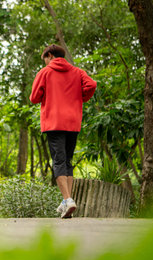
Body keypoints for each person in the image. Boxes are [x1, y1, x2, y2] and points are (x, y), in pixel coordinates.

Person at [30, 44, 96, 219]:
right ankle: (66, 201)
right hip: (73, 122)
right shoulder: (77, 72)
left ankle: (68, 200)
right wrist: (79, 98)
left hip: (54, 122)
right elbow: (91, 84)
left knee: (58, 161)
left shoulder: (45, 73)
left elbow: (34, 97)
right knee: (67, 160)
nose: (45, 62)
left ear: (50, 55)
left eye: (45, 58)